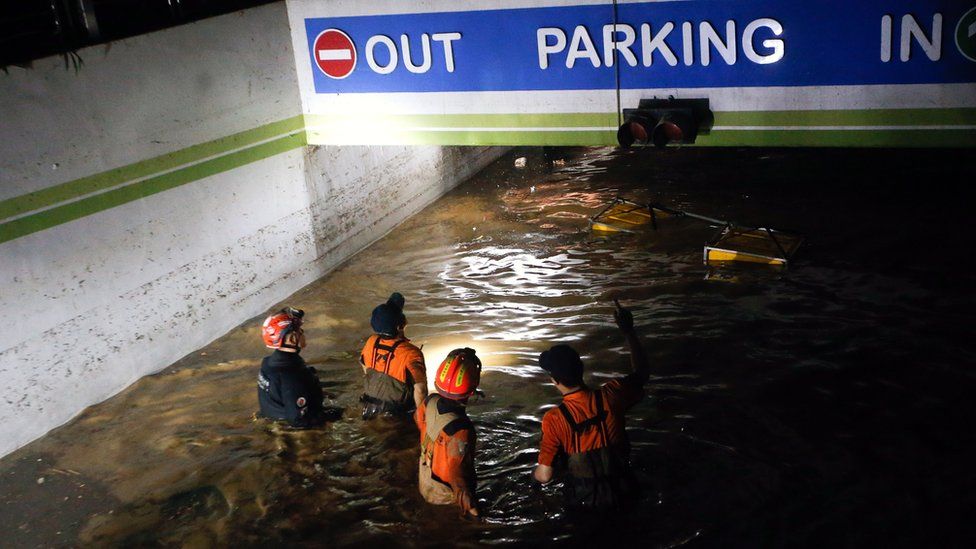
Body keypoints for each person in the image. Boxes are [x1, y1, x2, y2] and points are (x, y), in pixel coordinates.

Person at [532, 300, 650, 510]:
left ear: (554, 381)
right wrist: (629, 332)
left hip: (586, 507)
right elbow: (642, 374)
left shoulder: (554, 420)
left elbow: (545, 475)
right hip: (627, 496)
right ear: (581, 369)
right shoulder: (612, 395)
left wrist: (534, 477)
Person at [416, 348, 481, 517]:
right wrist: (478, 517)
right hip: (444, 496)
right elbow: (458, 480)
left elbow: (418, 421)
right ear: (472, 390)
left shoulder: (429, 401)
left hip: (425, 479)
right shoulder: (460, 430)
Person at [359, 292, 427, 419]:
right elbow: (420, 390)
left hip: (368, 408)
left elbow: (364, 367)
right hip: (396, 416)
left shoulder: (371, 342)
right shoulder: (411, 353)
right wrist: (422, 419)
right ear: (400, 325)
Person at [257, 307, 326, 428]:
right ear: (292, 338)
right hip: (292, 428)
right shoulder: (292, 377)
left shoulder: (267, 364)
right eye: (299, 330)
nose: (302, 333)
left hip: (275, 420)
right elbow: (298, 421)